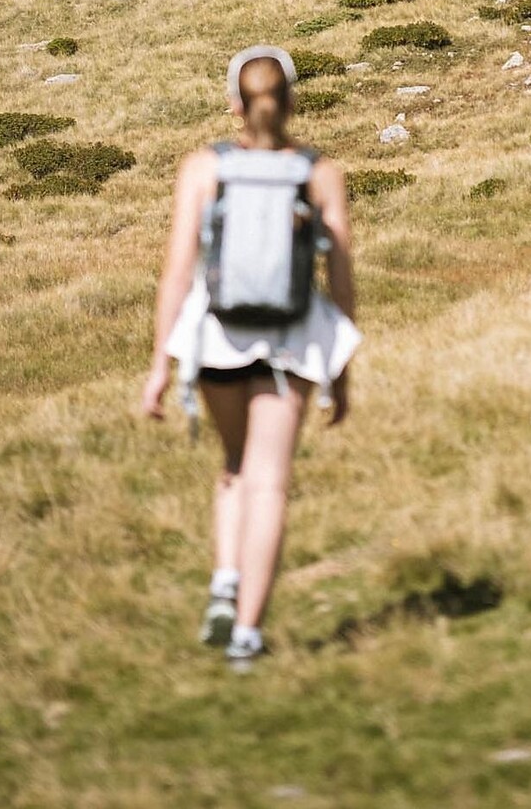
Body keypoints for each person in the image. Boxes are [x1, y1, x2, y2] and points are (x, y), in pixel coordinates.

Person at [141, 45, 360, 663]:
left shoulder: (202, 169)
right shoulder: (319, 174)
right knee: (270, 485)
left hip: (217, 339)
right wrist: (340, 370)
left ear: (235, 105)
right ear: (291, 101)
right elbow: (340, 278)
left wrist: (162, 364)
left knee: (235, 464)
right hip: (293, 343)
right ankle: (247, 634)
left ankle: (224, 582)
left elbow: (177, 273)